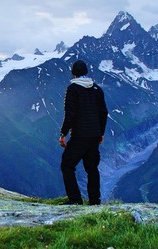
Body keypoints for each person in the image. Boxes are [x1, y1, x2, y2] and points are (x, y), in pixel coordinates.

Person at [58, 60, 108, 205]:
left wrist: (63, 134)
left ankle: (75, 200)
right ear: (85, 72)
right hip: (94, 136)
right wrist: (101, 133)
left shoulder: (73, 89)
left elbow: (70, 114)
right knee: (92, 168)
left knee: (67, 165)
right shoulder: (97, 89)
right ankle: (94, 201)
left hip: (79, 135)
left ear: (73, 73)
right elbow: (103, 112)